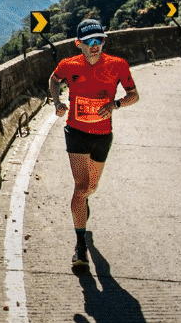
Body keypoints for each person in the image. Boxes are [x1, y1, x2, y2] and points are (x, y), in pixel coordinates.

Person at [47, 18, 140, 272]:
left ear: (104, 41)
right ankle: (80, 246)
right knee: (80, 187)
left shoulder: (118, 65)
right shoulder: (68, 65)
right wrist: (56, 103)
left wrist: (115, 105)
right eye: (89, 41)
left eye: (99, 40)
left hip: (102, 135)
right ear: (79, 44)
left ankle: (83, 207)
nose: (95, 45)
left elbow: (134, 95)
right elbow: (54, 80)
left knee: (91, 187)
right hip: (76, 131)